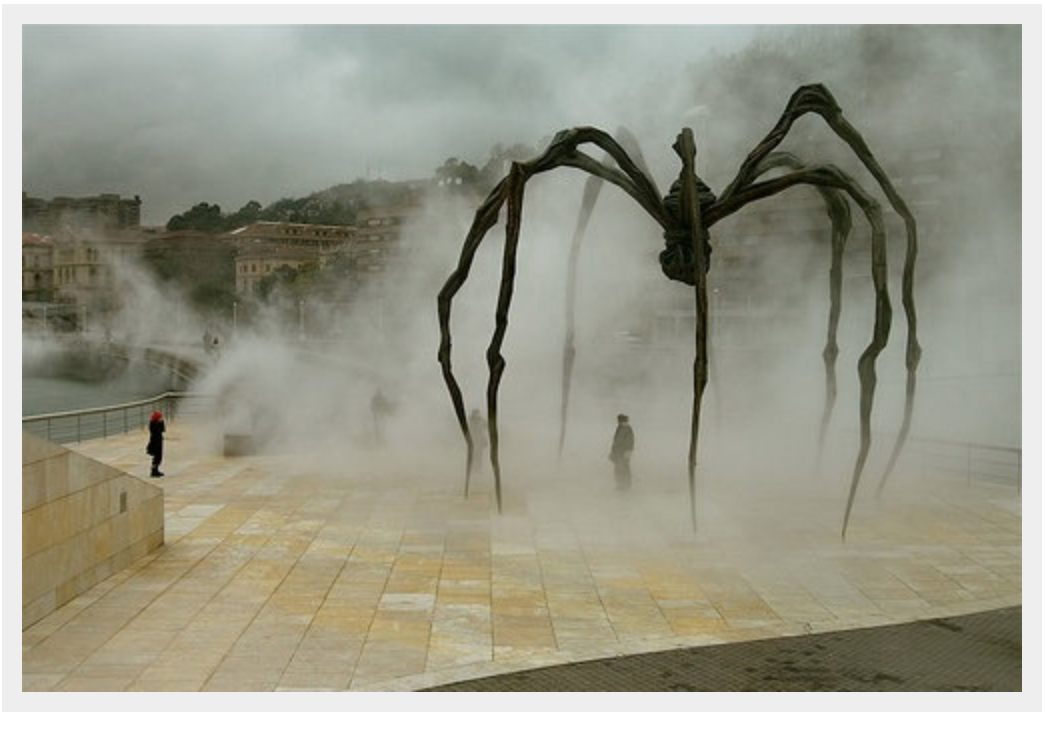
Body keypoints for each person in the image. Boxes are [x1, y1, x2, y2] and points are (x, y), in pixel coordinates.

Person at [608, 413, 634, 491]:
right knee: (622, 469)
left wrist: (627, 451)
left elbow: (619, 442)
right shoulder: (623, 428)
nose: (618, 422)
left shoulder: (624, 428)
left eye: (619, 420)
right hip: (621, 452)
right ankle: (623, 485)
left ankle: (623, 486)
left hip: (622, 453)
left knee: (621, 469)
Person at [147, 410, 166, 478]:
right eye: (160, 417)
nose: (162, 418)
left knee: (158, 457)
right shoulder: (154, 424)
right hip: (155, 442)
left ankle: (156, 470)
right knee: (157, 457)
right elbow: (158, 431)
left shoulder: (156, 423)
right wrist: (160, 423)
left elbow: (163, 430)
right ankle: (153, 471)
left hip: (158, 441)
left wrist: (161, 422)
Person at [469, 408, 488, 472]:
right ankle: (475, 469)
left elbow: (486, 426)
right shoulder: (472, 421)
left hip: (478, 442)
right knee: (475, 457)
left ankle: (478, 469)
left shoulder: (480, 420)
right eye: (476, 414)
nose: (477, 415)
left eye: (477, 414)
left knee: (479, 457)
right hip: (474, 442)